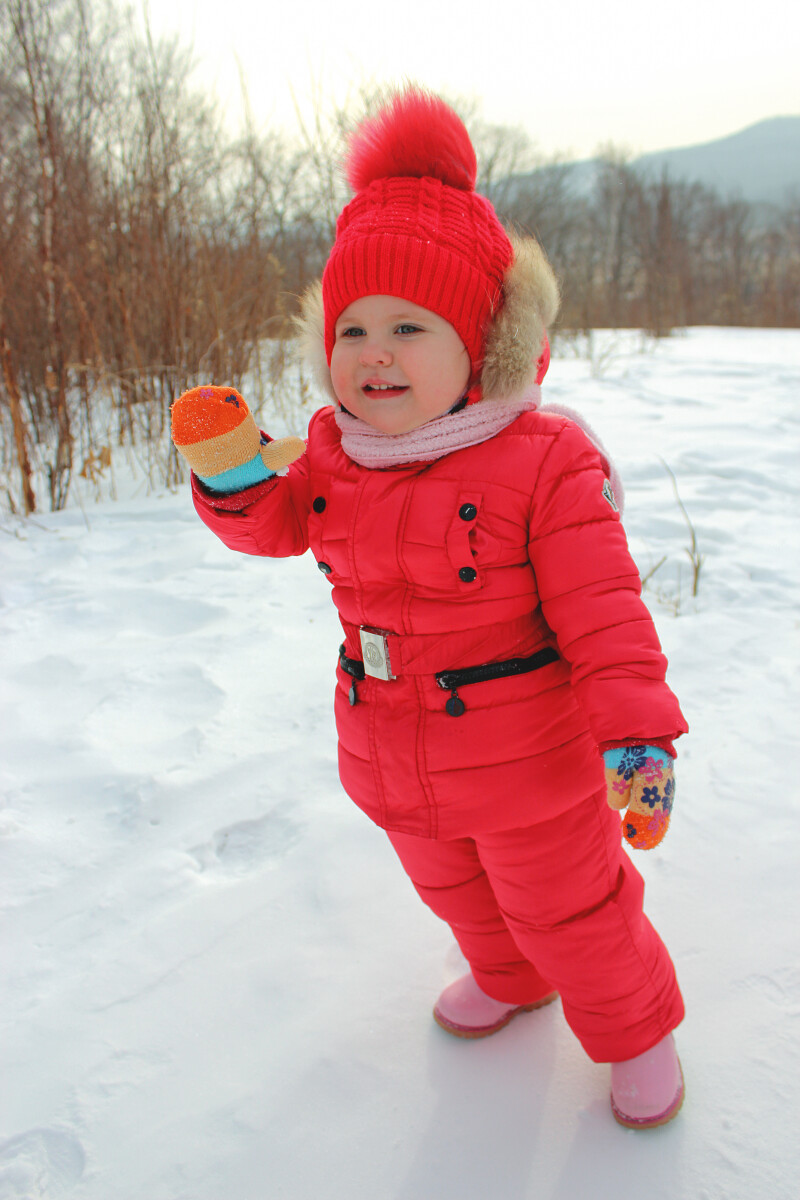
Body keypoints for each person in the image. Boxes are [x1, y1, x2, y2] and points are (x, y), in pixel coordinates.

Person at [171, 89, 688, 1129]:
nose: (374, 352)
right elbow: (276, 522)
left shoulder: (543, 462)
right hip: (395, 763)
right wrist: (227, 474)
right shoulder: (331, 453)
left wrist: (636, 735)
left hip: (533, 772)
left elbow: (605, 616)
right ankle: (506, 978)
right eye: (353, 327)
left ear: (485, 347)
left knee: (573, 914)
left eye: (410, 327)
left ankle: (634, 1035)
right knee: (458, 899)